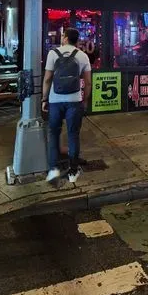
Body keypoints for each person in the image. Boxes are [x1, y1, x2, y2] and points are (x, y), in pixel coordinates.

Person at [42, 28, 92, 184]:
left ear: (65, 38)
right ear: (77, 41)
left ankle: (53, 170)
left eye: (62, 36)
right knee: (73, 135)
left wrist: (44, 99)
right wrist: (85, 100)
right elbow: (88, 83)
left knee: (53, 134)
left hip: (55, 101)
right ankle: (73, 171)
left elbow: (47, 79)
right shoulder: (82, 56)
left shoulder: (53, 54)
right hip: (74, 101)